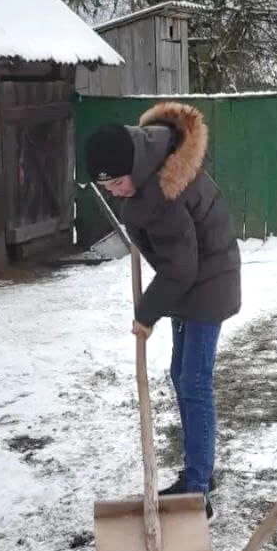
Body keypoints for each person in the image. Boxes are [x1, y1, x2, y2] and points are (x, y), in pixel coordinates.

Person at [85, 101, 240, 517]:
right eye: (107, 187)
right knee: (182, 375)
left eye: (117, 183)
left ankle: (198, 485)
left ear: (132, 169)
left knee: (193, 381)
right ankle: (198, 473)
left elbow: (180, 267)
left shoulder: (162, 191)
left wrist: (146, 314)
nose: (114, 192)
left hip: (206, 283)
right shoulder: (145, 166)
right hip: (188, 282)